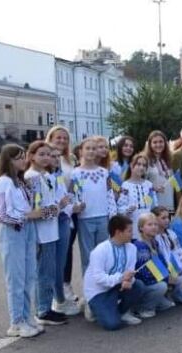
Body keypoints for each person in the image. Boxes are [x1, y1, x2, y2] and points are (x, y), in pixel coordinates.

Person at [0, 144, 44, 337]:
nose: (24, 160)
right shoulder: (3, 183)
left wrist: (32, 214)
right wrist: (28, 216)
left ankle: (26, 316)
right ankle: (16, 322)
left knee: (29, 275)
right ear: (9, 160)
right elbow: (2, 214)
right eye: (19, 157)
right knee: (16, 278)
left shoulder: (21, 182)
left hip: (27, 231)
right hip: (13, 232)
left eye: (23, 157)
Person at [25, 141, 71, 326]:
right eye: (42, 154)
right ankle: (42, 310)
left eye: (49, 155)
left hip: (51, 231)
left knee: (49, 271)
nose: (46, 158)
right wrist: (58, 207)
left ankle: (46, 306)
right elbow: (36, 209)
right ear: (32, 156)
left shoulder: (48, 176)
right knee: (43, 272)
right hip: (41, 233)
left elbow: (52, 203)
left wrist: (58, 206)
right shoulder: (31, 177)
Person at [83, 215, 145, 330]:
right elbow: (98, 278)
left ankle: (122, 312)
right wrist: (121, 278)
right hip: (98, 291)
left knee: (138, 286)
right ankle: (91, 306)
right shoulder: (100, 250)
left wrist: (128, 280)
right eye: (129, 231)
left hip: (118, 285)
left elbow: (131, 271)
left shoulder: (132, 248)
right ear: (118, 232)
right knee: (112, 324)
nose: (132, 234)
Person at [47, 126, 82, 305]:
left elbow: (73, 185)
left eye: (65, 138)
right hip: (56, 212)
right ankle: (55, 292)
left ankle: (65, 285)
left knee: (67, 251)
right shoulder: (48, 159)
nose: (61, 141)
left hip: (71, 210)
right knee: (55, 253)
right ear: (50, 139)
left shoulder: (70, 159)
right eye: (58, 138)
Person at [72, 137, 116, 272]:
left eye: (94, 149)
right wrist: (77, 205)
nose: (91, 151)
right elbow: (73, 194)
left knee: (103, 254)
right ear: (81, 151)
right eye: (88, 148)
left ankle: (103, 285)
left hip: (103, 217)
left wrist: (112, 214)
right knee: (88, 255)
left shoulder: (104, 172)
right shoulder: (76, 173)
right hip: (85, 218)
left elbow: (109, 194)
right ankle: (89, 288)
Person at [132, 213, 173, 318]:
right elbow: (143, 272)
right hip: (144, 283)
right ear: (141, 228)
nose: (154, 227)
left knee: (167, 304)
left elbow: (162, 261)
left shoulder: (155, 242)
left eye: (155, 224)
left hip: (154, 278)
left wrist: (168, 274)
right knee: (162, 287)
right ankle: (142, 308)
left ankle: (155, 302)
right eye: (149, 225)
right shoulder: (140, 246)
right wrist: (164, 279)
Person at [152, 206, 182, 305]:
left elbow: (180, 255)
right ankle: (164, 294)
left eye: (168, 217)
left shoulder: (171, 234)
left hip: (177, 273)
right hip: (164, 275)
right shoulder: (153, 238)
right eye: (163, 218)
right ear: (154, 219)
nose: (167, 220)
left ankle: (173, 292)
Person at [117, 153, 157, 240]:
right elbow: (120, 206)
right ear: (132, 166)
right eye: (138, 164)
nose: (141, 167)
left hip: (148, 227)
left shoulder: (149, 185)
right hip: (133, 225)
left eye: (144, 165)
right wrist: (128, 209)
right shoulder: (125, 185)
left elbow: (154, 205)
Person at [144, 130, 176, 212]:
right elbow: (140, 183)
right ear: (150, 144)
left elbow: (174, 180)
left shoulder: (169, 159)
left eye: (161, 142)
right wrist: (153, 188)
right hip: (153, 204)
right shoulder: (145, 160)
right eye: (155, 142)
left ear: (165, 143)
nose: (158, 145)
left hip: (169, 203)